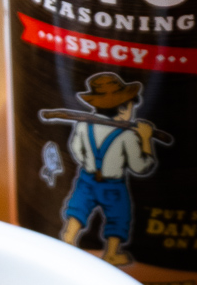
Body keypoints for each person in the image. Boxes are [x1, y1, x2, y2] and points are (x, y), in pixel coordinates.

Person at [43, 72, 159, 267]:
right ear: (123, 109)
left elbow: (76, 149)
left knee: (78, 208)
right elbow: (140, 167)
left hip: (87, 178)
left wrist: (89, 162)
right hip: (113, 184)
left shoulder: (83, 125)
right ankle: (111, 253)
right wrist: (146, 140)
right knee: (119, 215)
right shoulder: (127, 137)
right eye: (131, 106)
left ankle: (69, 239)